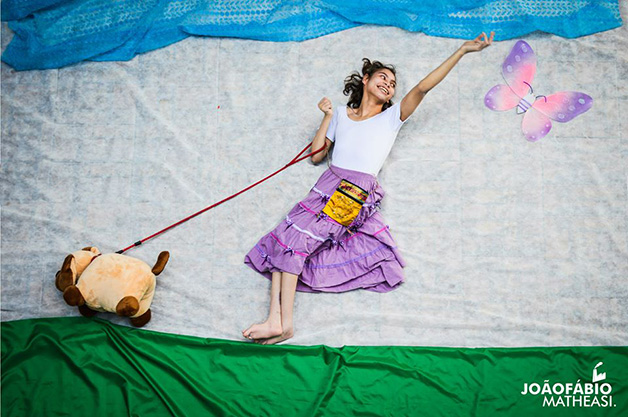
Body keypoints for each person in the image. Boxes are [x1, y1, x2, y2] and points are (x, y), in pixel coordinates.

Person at [243, 32, 494, 345]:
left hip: (354, 192)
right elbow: (317, 156)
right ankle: (277, 320)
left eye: (392, 84)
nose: (388, 84)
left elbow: (423, 88)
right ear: (365, 79)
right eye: (382, 77)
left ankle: (283, 323)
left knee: (299, 243)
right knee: (286, 238)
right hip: (327, 183)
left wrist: (462, 51)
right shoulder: (341, 114)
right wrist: (327, 117)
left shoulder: (392, 118)